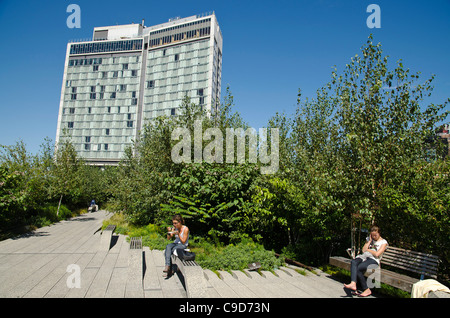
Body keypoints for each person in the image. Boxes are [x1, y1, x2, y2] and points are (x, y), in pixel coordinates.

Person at [344, 225, 388, 297]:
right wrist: (369, 241)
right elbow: (363, 250)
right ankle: (353, 283)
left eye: (375, 235)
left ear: (379, 233)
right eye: (372, 235)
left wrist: (368, 250)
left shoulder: (383, 242)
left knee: (358, 268)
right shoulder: (369, 239)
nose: (374, 237)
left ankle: (366, 289)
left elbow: (377, 254)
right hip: (364, 257)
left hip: (373, 260)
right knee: (353, 262)